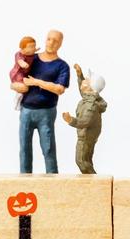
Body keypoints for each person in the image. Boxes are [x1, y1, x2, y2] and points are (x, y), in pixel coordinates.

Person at [18, 29, 70, 173]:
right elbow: (17, 73)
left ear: (60, 44)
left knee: (48, 148)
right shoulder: (32, 59)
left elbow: (59, 89)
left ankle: (53, 183)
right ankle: (24, 182)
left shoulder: (62, 66)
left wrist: (36, 82)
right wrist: (15, 85)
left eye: (55, 40)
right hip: (26, 110)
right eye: (49, 39)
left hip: (46, 112)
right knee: (24, 149)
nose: (51, 43)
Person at [62, 63, 108, 175]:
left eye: (86, 81)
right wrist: (79, 75)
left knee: (81, 160)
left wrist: (70, 120)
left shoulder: (90, 105)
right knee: (86, 159)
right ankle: (90, 178)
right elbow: (83, 89)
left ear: (91, 87)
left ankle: (93, 178)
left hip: (86, 136)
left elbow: (84, 122)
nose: (83, 82)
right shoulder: (89, 97)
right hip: (87, 135)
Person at [9, 36, 38, 109]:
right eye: (31, 47)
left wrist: (35, 50)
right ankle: (17, 100)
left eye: (34, 46)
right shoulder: (19, 54)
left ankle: (22, 100)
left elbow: (33, 52)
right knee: (23, 88)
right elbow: (20, 61)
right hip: (18, 73)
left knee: (27, 88)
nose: (33, 48)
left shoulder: (31, 54)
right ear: (23, 48)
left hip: (25, 74)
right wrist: (23, 64)